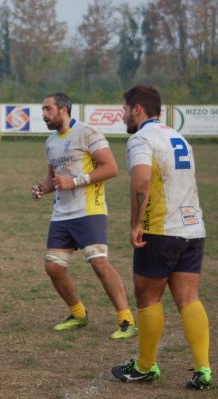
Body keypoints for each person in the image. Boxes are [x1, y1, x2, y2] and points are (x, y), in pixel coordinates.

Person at [111, 85, 212, 390]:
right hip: (193, 229)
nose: (123, 114)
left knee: (147, 297)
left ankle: (145, 366)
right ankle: (204, 369)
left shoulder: (142, 138)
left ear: (138, 109)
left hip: (160, 230)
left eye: (125, 109)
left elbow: (142, 179)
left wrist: (135, 223)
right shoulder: (178, 136)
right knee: (189, 299)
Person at [32, 92, 137, 339]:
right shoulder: (50, 141)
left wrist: (76, 181)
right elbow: (53, 176)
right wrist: (42, 188)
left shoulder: (88, 133)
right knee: (53, 266)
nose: (44, 115)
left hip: (90, 210)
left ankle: (126, 319)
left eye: (48, 109)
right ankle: (78, 314)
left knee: (98, 262)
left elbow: (111, 168)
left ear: (64, 110)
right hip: (62, 213)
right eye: (43, 110)